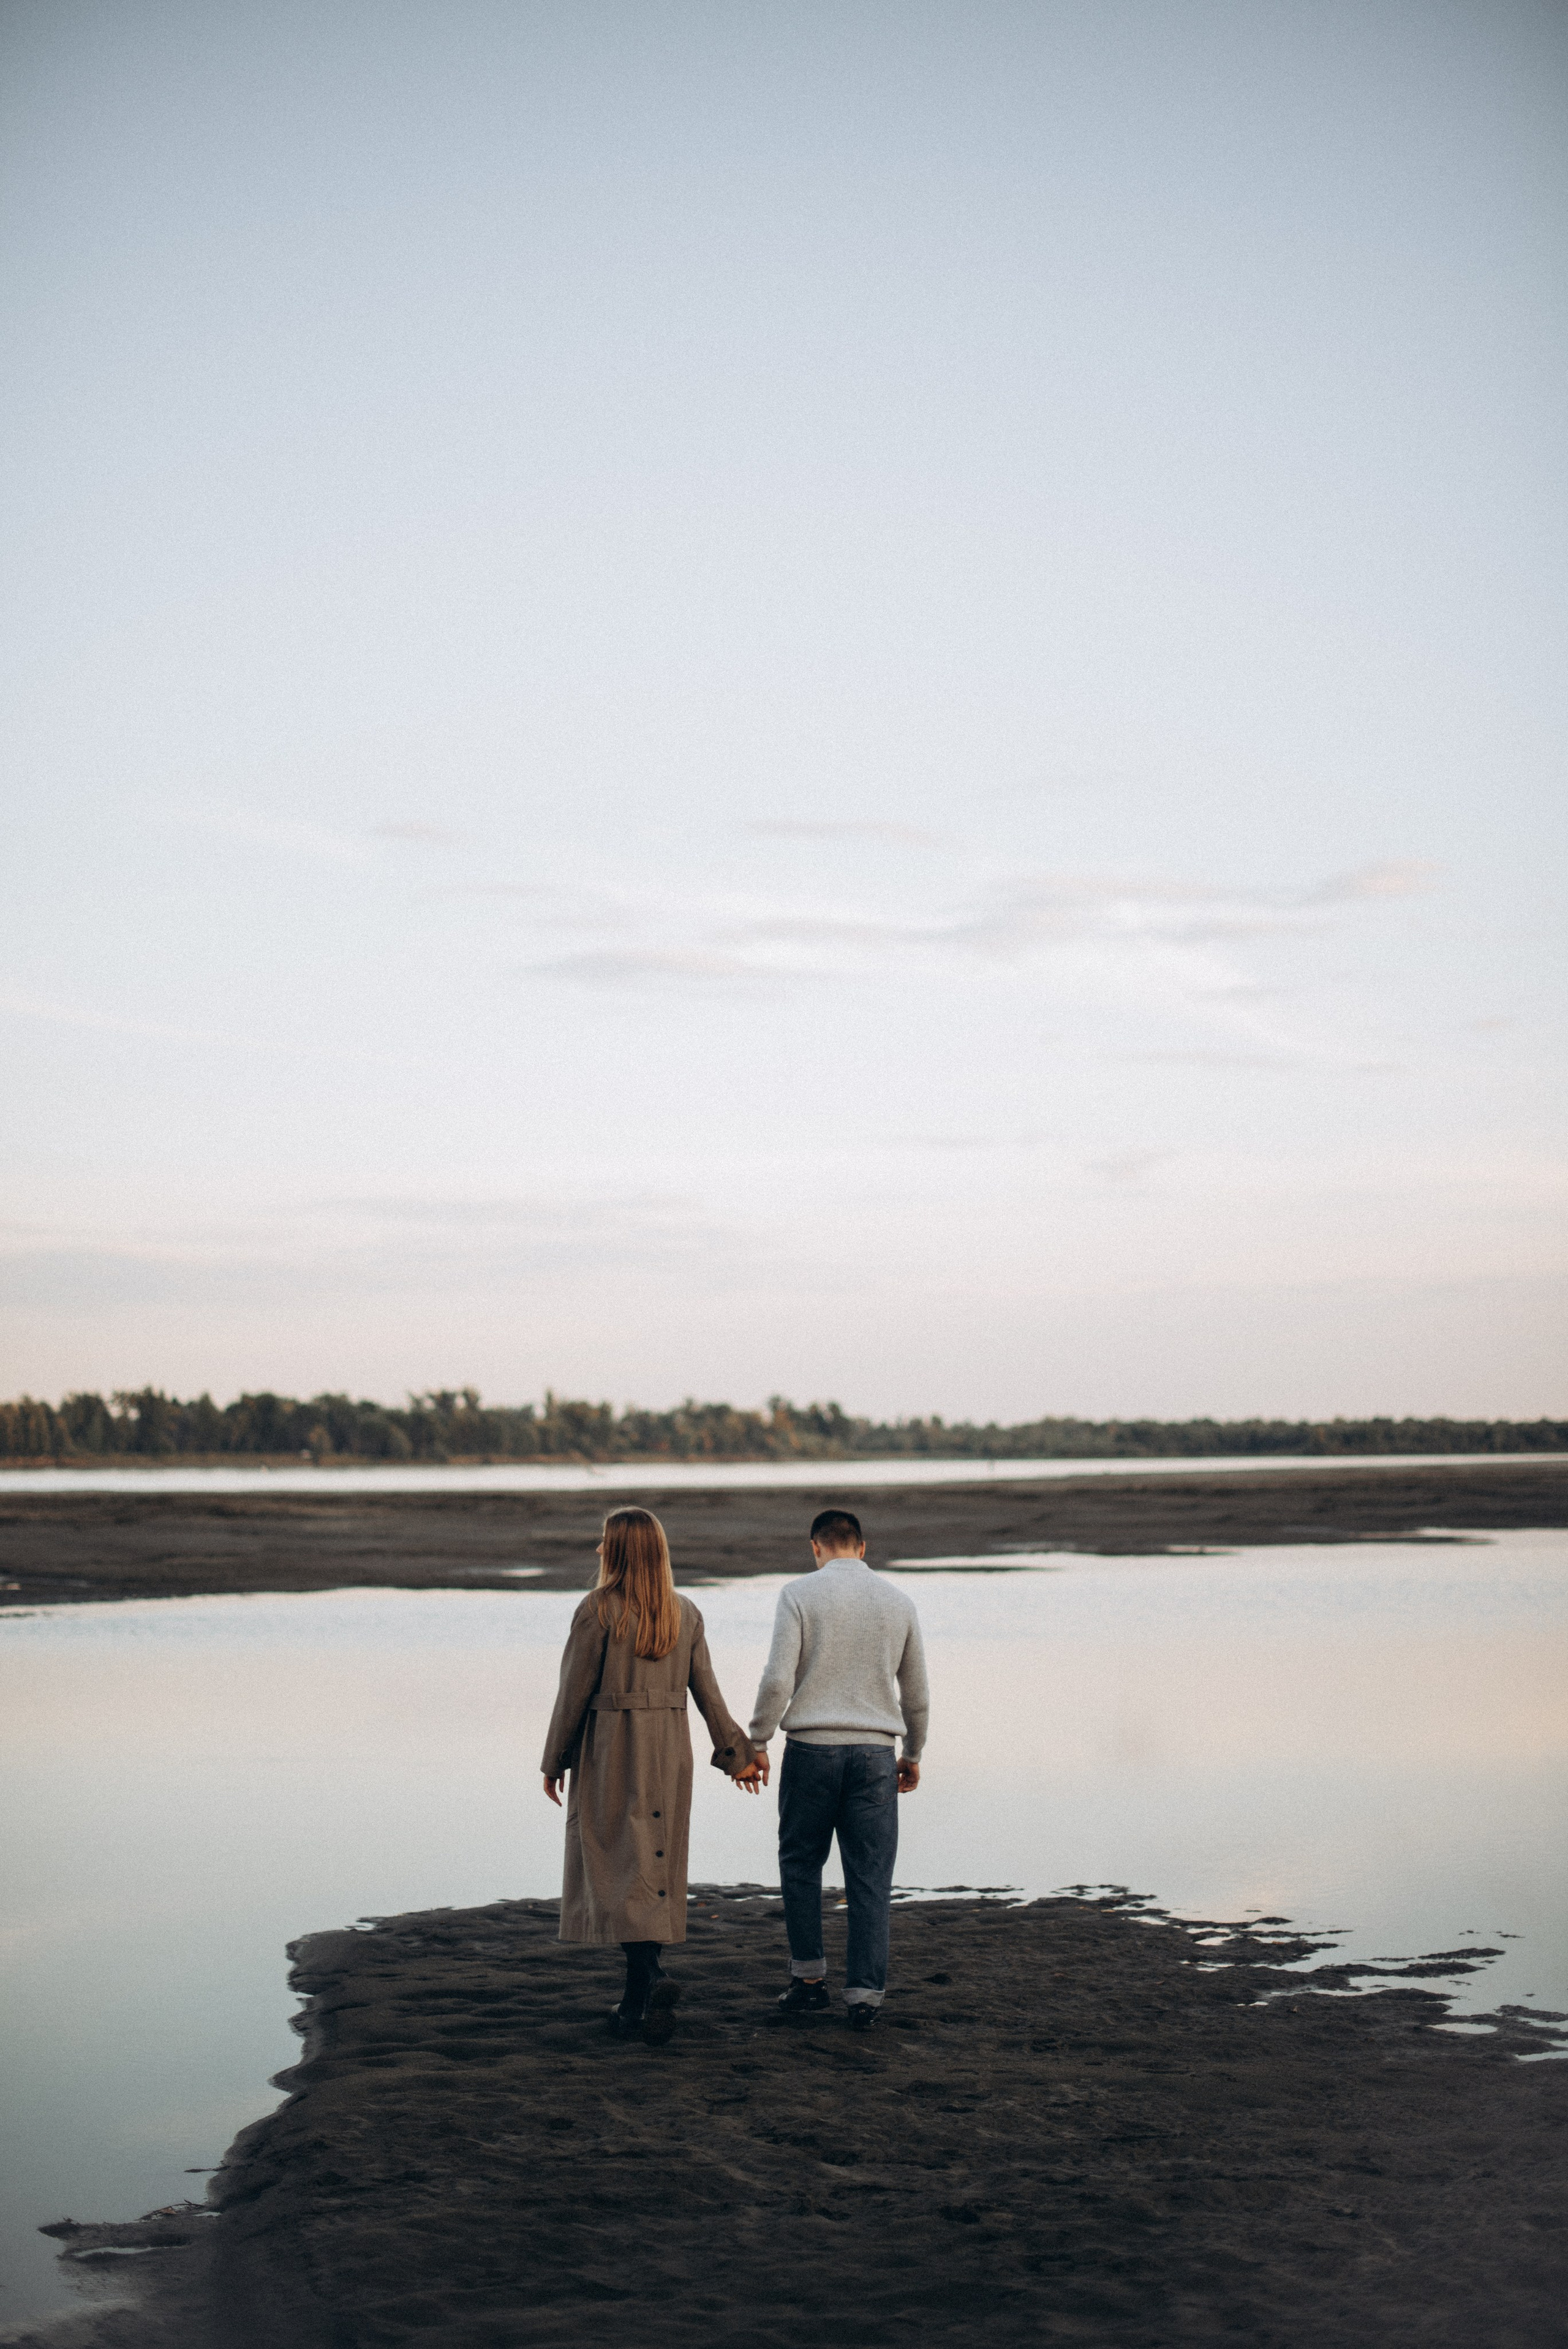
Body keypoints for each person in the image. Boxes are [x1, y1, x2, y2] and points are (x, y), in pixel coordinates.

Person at [541, 1506, 766, 2044]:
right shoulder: (685, 1611)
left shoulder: (598, 1609)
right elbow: (708, 1692)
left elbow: (572, 1694)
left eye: (605, 1542)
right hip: (669, 1750)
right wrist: (737, 1754)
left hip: (613, 1749)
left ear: (621, 1551)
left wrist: (554, 1761)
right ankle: (637, 1999)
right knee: (654, 1866)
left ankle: (651, 1977)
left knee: (616, 1869)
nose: (599, 1549)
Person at [748, 1508, 929, 2029]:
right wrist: (913, 1753)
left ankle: (808, 1983)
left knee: (801, 1864)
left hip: (811, 1750)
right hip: (875, 1754)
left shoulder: (798, 1595)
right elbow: (916, 1693)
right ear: (862, 1547)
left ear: (816, 1548)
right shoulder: (899, 1602)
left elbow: (778, 1678)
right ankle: (865, 1998)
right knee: (870, 1876)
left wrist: (758, 1739)